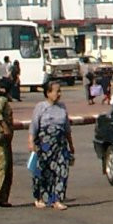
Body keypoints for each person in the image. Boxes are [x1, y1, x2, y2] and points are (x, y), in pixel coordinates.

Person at [27, 80, 73, 211]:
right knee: (42, 171)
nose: (59, 94)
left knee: (62, 171)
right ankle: (40, 197)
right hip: (44, 146)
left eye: (60, 91)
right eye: (56, 91)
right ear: (48, 93)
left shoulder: (62, 107)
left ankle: (57, 199)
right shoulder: (41, 107)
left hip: (60, 145)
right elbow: (34, 125)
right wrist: (31, 142)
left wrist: (71, 145)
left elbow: (67, 128)